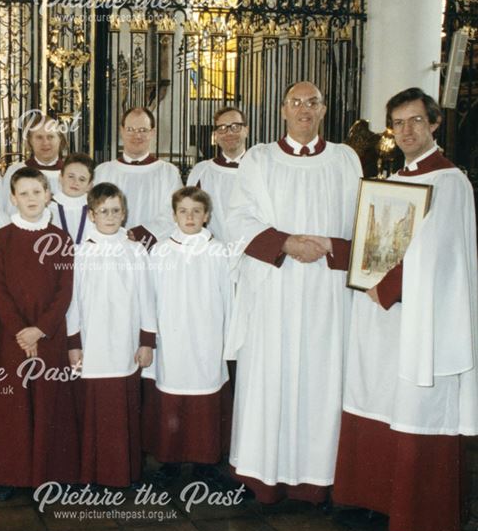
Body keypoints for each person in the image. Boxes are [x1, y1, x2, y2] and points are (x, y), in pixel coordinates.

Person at [333, 87, 478, 531]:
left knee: (414, 401)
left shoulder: (449, 181)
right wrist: (343, 257)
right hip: (382, 313)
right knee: (376, 394)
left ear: (434, 123)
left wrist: (386, 286)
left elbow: (435, 250)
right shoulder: (394, 180)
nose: (407, 130)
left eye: (416, 121)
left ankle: (418, 512)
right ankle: (374, 497)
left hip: (419, 314)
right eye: (398, 123)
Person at [226, 81, 361, 504]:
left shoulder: (344, 159)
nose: (305, 109)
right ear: (283, 109)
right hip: (275, 285)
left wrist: (330, 247)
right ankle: (262, 475)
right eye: (296, 102)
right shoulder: (259, 158)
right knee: (270, 374)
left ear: (324, 110)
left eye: (313, 103)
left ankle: (315, 478)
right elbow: (238, 217)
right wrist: (285, 243)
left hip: (326, 288)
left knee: (321, 378)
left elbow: (364, 219)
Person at [0, 167, 77, 500]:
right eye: (24, 193)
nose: (31, 199)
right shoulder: (2, 237)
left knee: (49, 400)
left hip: (48, 334)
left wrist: (40, 330)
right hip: (12, 334)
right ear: (12, 198)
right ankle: (10, 474)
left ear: (48, 194)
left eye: (37, 192)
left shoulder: (61, 239)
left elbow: (65, 291)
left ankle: (50, 473)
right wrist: (21, 330)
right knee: (12, 403)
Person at [140, 187, 232, 489]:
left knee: (205, 395)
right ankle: (170, 462)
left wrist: (227, 338)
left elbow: (228, 298)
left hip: (207, 337)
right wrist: (151, 336)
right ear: (173, 215)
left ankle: (205, 463)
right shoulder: (161, 250)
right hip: (171, 338)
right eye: (183, 211)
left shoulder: (218, 250)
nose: (190, 217)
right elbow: (149, 296)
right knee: (171, 395)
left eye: (196, 211)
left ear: (207, 215)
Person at [66, 182, 149, 488]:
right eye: (104, 211)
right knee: (93, 410)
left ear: (124, 213)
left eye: (116, 210)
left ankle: (124, 473)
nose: (111, 216)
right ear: (91, 214)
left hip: (125, 344)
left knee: (123, 408)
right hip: (92, 344)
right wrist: (73, 344)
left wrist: (146, 341)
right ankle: (92, 474)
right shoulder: (80, 252)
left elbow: (146, 298)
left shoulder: (136, 251)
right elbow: (72, 302)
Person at [94, 107, 183, 247]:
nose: (136, 136)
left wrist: (144, 233)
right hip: (111, 247)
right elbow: (94, 210)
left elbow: (174, 211)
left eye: (143, 130)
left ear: (152, 132)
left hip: (154, 249)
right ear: (121, 131)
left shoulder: (169, 173)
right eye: (130, 129)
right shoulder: (103, 171)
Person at [187, 106, 249, 241]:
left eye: (235, 126)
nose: (229, 133)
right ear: (215, 135)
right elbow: (189, 213)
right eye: (222, 128)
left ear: (246, 130)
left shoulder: (259, 168)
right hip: (212, 251)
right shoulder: (202, 171)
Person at [0, 112, 66, 215]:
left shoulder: (71, 174)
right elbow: (6, 211)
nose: (45, 143)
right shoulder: (15, 171)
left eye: (51, 137)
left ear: (60, 139)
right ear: (30, 141)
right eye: (39, 137)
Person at [48, 154, 95, 246]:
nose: (75, 182)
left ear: (89, 185)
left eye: (82, 179)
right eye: (71, 176)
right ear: (60, 178)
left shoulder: (95, 209)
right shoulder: (48, 208)